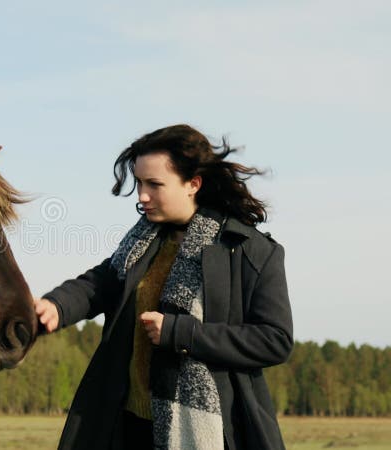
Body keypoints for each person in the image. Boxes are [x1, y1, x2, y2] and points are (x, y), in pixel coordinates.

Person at [33, 124, 293, 450]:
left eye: (154, 184)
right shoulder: (142, 240)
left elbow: (275, 340)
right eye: (139, 182)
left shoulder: (249, 250)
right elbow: (101, 283)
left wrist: (180, 333)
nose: (142, 195)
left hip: (206, 434)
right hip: (126, 426)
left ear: (192, 184)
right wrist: (56, 306)